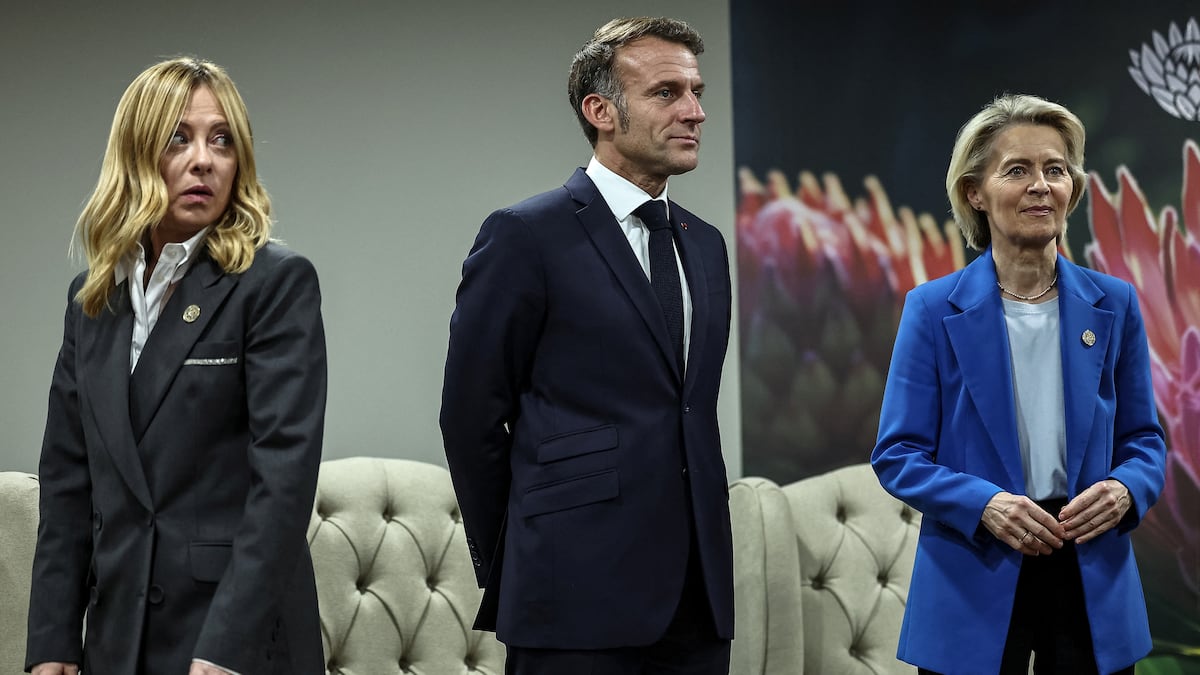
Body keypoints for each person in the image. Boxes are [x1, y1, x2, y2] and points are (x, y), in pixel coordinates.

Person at [440, 16, 734, 675]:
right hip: (570, 594)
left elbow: (689, 412)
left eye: (697, 91)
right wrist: (521, 556)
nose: (694, 111)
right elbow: (469, 417)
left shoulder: (707, 245)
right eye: (667, 92)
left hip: (698, 599)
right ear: (600, 111)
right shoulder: (525, 235)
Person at [25, 57, 327, 675]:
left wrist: (225, 648)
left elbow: (283, 484)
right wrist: (52, 642)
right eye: (178, 139)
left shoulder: (274, 283)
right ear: (136, 154)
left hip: (234, 640)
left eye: (222, 140)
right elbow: (66, 483)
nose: (203, 161)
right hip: (118, 638)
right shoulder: (91, 300)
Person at [871, 93, 1167, 675]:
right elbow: (897, 455)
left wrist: (1126, 489)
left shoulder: (1116, 303)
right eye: (1017, 170)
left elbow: (1144, 441)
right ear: (974, 193)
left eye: (1055, 169)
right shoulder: (931, 309)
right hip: (976, 562)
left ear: (1072, 190)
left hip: (1089, 566)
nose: (1041, 186)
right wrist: (984, 504)